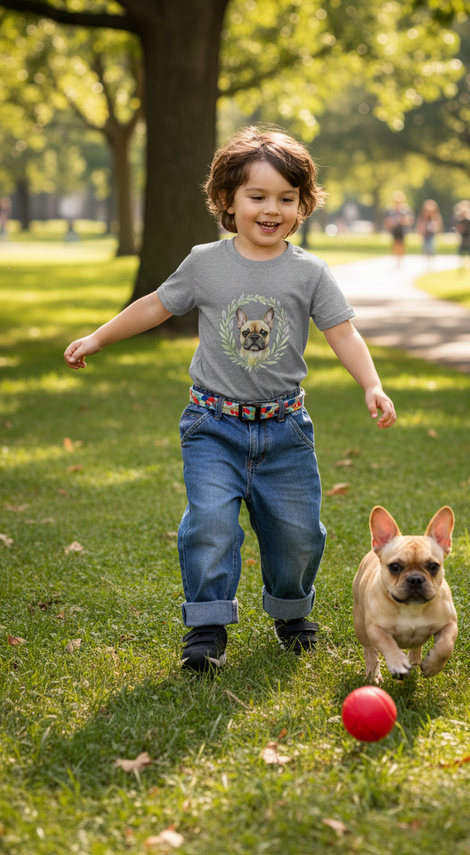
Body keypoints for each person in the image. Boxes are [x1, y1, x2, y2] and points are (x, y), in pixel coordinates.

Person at [64, 126, 396, 673]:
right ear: (227, 200)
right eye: (257, 196)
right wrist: (99, 336)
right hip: (213, 425)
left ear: (302, 204)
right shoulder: (205, 263)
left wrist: (372, 383)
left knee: (298, 534)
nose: (272, 209)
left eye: (286, 199)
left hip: (285, 430)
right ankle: (207, 627)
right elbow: (156, 305)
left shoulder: (309, 271)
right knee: (210, 526)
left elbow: (343, 333)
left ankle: (292, 613)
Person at [382, 191, 414, 267]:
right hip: (394, 230)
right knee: (395, 244)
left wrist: (402, 220)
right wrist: (392, 222)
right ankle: (396, 258)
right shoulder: (390, 210)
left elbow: (410, 220)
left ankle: (400, 260)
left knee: (402, 244)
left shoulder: (406, 209)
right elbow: (386, 221)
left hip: (403, 230)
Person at [417, 199, 442, 270]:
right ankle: (426, 265)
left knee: (431, 248)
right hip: (425, 235)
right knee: (425, 249)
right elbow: (419, 226)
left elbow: (438, 226)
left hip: (432, 235)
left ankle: (431, 264)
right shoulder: (422, 217)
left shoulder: (436, 217)